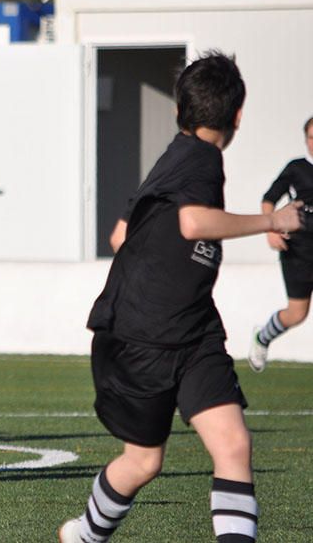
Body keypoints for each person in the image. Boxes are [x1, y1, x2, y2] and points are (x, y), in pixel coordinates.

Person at [58, 52, 303, 543]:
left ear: (178, 111)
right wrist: (273, 220)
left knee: (233, 444)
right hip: (142, 338)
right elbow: (193, 223)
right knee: (144, 461)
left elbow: (120, 237)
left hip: (193, 333)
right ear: (237, 116)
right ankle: (83, 535)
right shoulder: (198, 160)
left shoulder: (175, 158)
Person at [248, 116, 313, 373]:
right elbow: (269, 199)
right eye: (311, 137)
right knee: (297, 313)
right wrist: (271, 229)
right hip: (298, 250)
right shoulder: (296, 168)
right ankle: (262, 337)